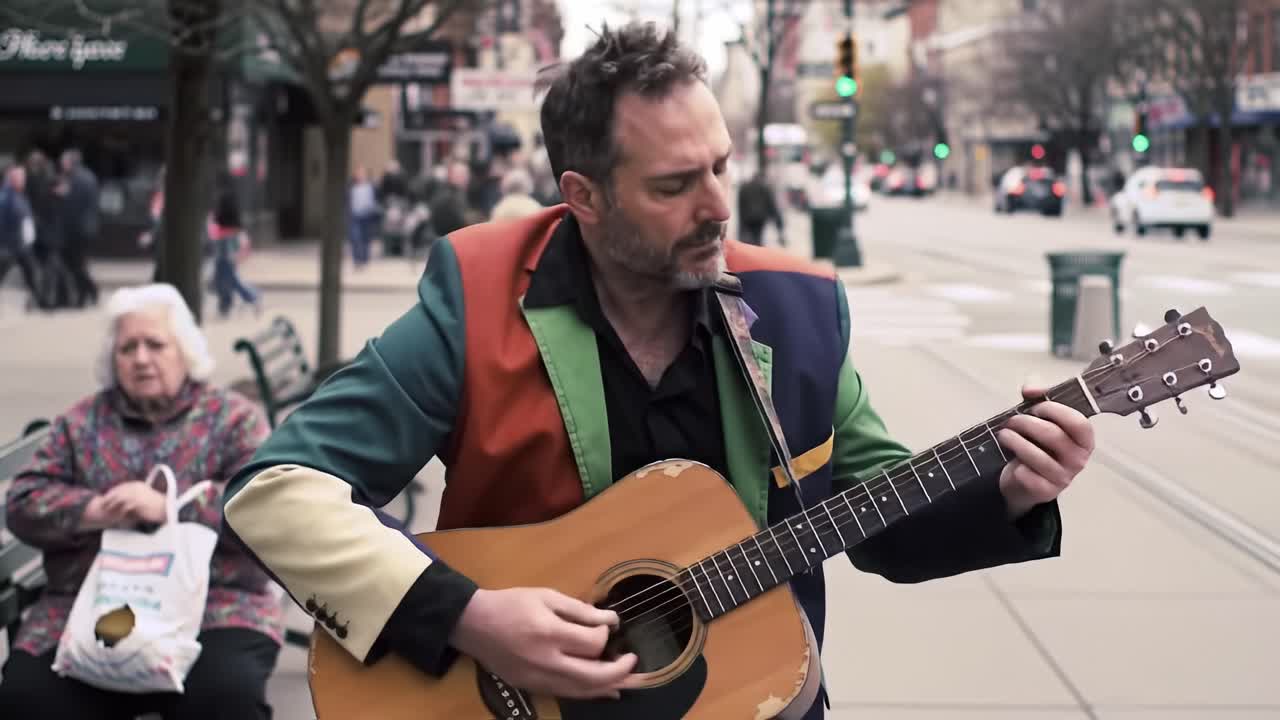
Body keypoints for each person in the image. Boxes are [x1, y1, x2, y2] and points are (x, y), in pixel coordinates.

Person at [221, 22, 1094, 719]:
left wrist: (1010, 491)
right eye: (675, 186)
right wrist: (467, 616)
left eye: (722, 165)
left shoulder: (798, 313)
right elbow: (274, 493)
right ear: (584, 196)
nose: (718, 206)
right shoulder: (480, 298)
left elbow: (881, 520)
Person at [0, 284, 284, 719]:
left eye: (155, 344)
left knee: (224, 698)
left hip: (217, 607)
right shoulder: (82, 423)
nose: (141, 358)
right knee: (29, 699)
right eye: (127, 347)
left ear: (185, 351)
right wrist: (93, 511)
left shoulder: (233, 419)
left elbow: (269, 507)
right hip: (86, 606)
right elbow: (22, 502)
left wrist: (171, 509)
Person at [737, 172, 784, 246]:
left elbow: (741, 206)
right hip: (760, 218)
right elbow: (772, 205)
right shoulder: (765, 188)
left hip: (748, 218)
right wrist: (779, 224)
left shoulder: (745, 187)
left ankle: (751, 247)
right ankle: (757, 246)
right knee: (758, 237)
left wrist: (740, 228)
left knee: (749, 237)